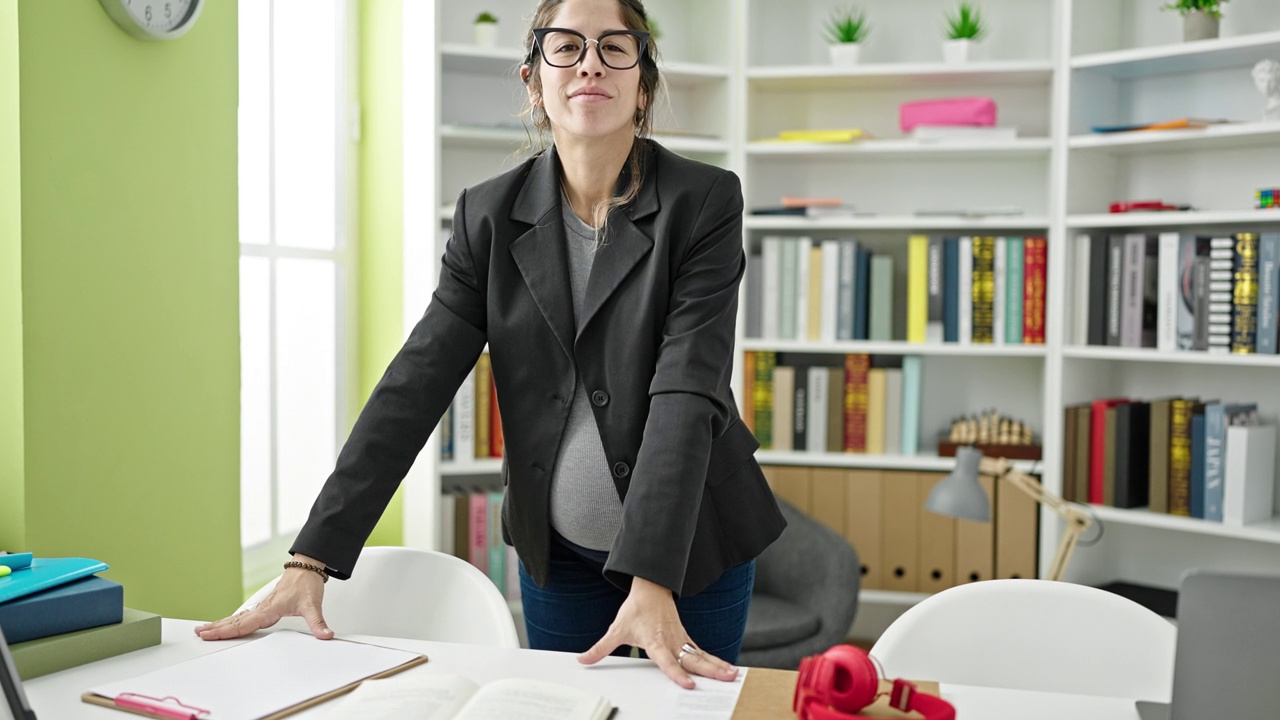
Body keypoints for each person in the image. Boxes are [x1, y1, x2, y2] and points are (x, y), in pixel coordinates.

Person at [196, 0, 786, 689]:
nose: (590, 62)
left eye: (614, 47)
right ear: (535, 81)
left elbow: (688, 387)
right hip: (559, 557)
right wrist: (311, 559)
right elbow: (415, 384)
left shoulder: (705, 201)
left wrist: (653, 574)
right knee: (571, 706)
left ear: (644, 84)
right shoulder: (487, 214)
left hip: (694, 547)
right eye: (565, 46)